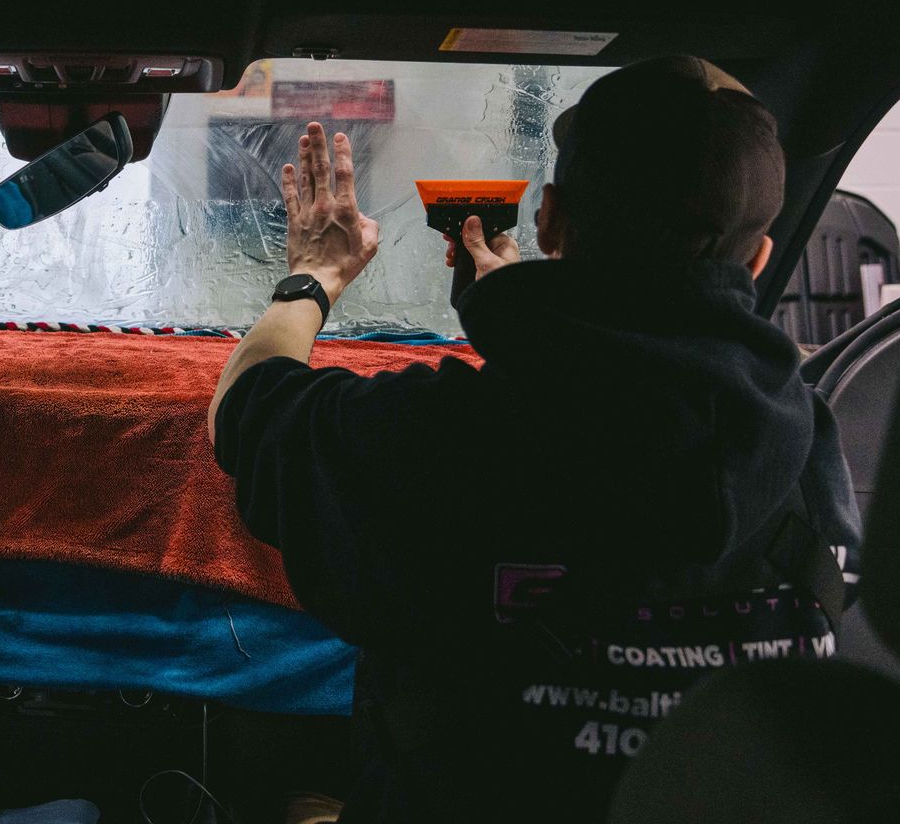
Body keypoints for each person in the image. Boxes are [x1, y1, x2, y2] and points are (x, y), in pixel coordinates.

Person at [208, 56, 861, 821]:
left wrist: (314, 276)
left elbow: (245, 410)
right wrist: (527, 326)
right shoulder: (813, 446)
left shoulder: (450, 433)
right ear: (758, 257)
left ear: (549, 219)